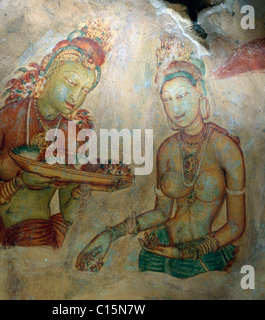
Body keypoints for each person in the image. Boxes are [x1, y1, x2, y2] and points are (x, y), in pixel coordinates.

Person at [76, 35, 246, 278]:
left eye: (182, 96)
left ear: (199, 92)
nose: (175, 108)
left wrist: (188, 252)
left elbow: (236, 225)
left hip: (201, 255)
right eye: (167, 100)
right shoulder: (166, 149)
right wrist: (111, 234)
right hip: (158, 247)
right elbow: (162, 213)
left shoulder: (225, 148)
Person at [0, 20, 113, 248]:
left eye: (84, 89)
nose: (76, 96)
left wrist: (81, 185)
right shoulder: (7, 118)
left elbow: (69, 215)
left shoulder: (74, 136)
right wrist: (19, 182)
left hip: (33, 228)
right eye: (71, 82)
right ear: (47, 78)